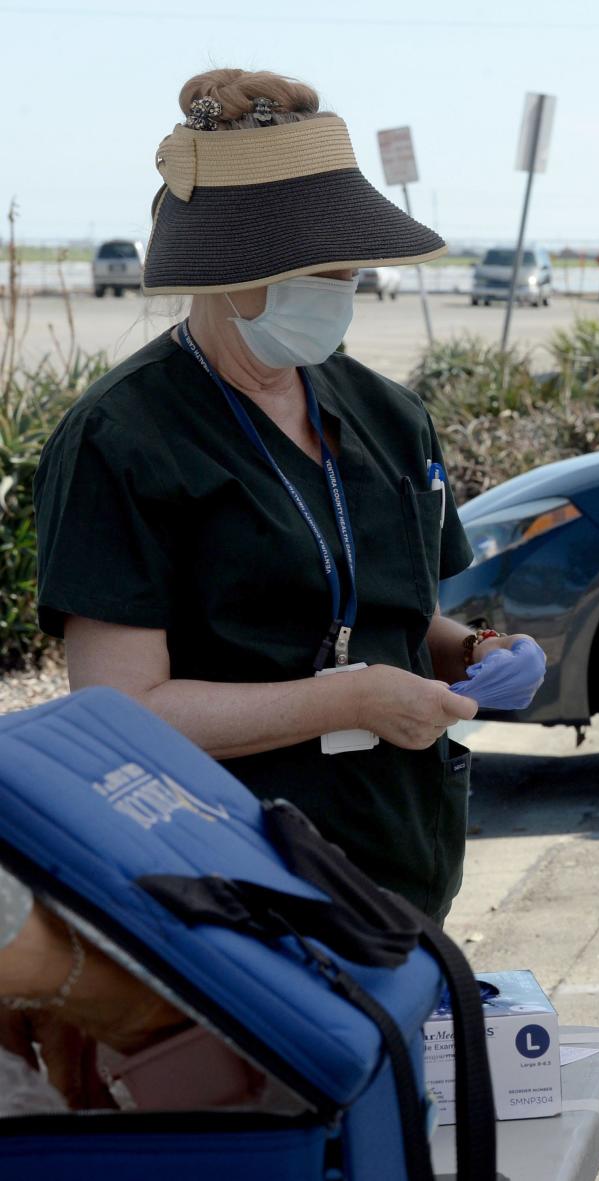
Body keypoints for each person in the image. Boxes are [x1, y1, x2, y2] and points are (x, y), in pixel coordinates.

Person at [35, 69, 537, 926]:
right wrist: (343, 701)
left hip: (401, 876)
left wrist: (478, 651)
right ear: (228, 265)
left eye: (348, 264)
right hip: (225, 895)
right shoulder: (124, 438)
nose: (339, 282)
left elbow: (393, 618)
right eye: (315, 262)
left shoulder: (387, 416)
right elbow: (120, 712)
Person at [0, 867, 187, 1110]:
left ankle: (91, 1137)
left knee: (71, 1085)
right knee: (29, 1094)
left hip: (51, 971)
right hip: (24, 976)